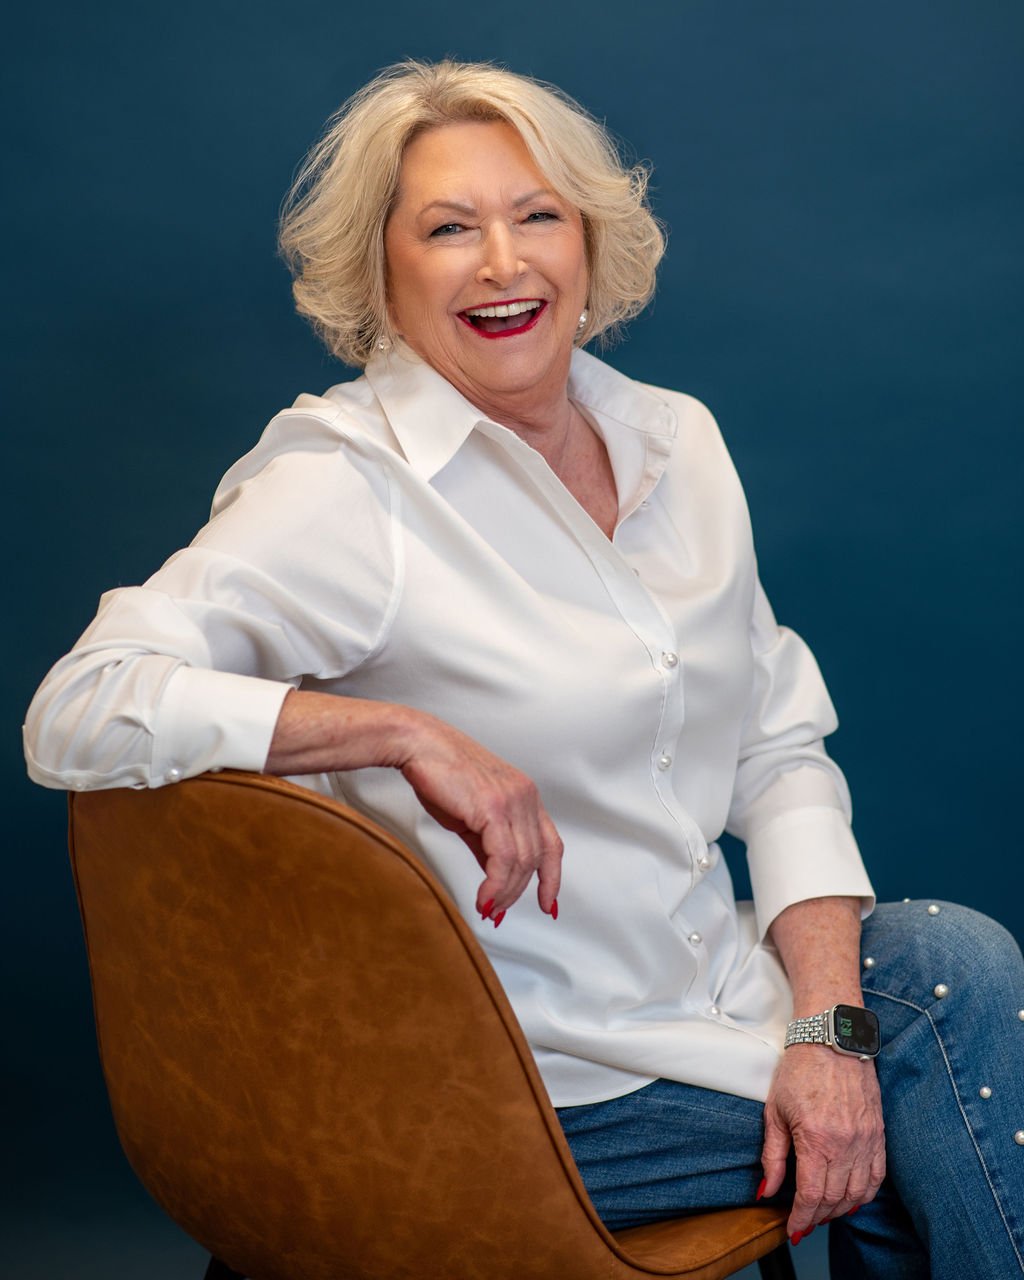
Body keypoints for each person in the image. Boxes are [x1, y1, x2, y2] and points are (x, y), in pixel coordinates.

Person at [24, 59, 1024, 1278]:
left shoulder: (675, 441)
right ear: (380, 275)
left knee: (954, 964)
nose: (502, 263)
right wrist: (394, 730)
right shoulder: (348, 490)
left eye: (535, 215)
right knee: (945, 1085)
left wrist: (825, 1033)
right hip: (515, 1079)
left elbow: (777, 749)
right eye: (448, 229)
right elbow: (79, 707)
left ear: (590, 246)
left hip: (697, 1000)